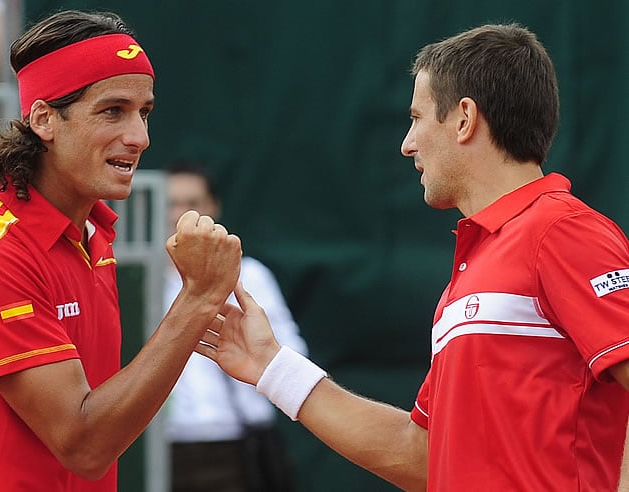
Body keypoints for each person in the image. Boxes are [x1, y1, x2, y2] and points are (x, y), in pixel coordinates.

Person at [193, 23, 629, 492]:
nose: (407, 144)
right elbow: (421, 455)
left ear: (464, 118)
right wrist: (271, 366)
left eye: (417, 118)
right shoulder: (478, 265)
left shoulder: (564, 232)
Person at [0, 10, 241, 492]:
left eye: (144, 112)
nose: (140, 137)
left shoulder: (95, 233)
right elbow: (84, 445)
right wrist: (197, 300)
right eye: (113, 111)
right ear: (45, 119)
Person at [163, 160, 308, 492]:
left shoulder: (250, 276)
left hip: (235, 445)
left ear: (213, 208)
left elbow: (290, 355)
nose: (179, 216)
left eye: (192, 205)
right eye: (171, 204)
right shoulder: (131, 281)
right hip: (152, 448)